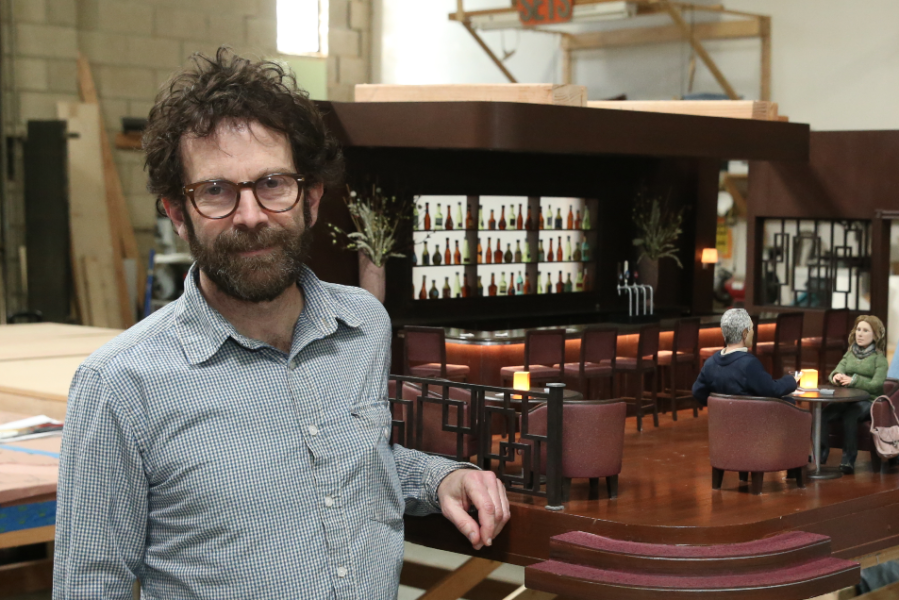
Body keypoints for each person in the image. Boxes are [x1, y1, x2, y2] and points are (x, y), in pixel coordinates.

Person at [53, 49, 509, 599]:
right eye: (216, 191)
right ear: (178, 215)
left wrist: (440, 478)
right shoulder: (120, 386)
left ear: (310, 199)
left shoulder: (362, 326)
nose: (250, 215)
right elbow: (89, 584)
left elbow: (358, 459)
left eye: (272, 183)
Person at [821, 314, 889, 475]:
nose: (860, 334)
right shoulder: (850, 353)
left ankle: (848, 460)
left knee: (850, 416)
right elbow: (836, 371)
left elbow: (876, 385)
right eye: (858, 329)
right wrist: (836, 376)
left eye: (865, 330)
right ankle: (820, 454)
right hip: (846, 398)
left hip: (868, 400)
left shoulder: (879, 359)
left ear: (875, 335)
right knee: (823, 414)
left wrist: (854, 381)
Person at [692, 308, 798, 405]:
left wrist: (719, 406)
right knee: (789, 402)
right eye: (751, 329)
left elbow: (697, 392)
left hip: (721, 418)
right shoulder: (749, 364)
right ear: (744, 333)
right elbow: (772, 390)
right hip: (750, 418)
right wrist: (791, 380)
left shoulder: (710, 363)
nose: (753, 332)